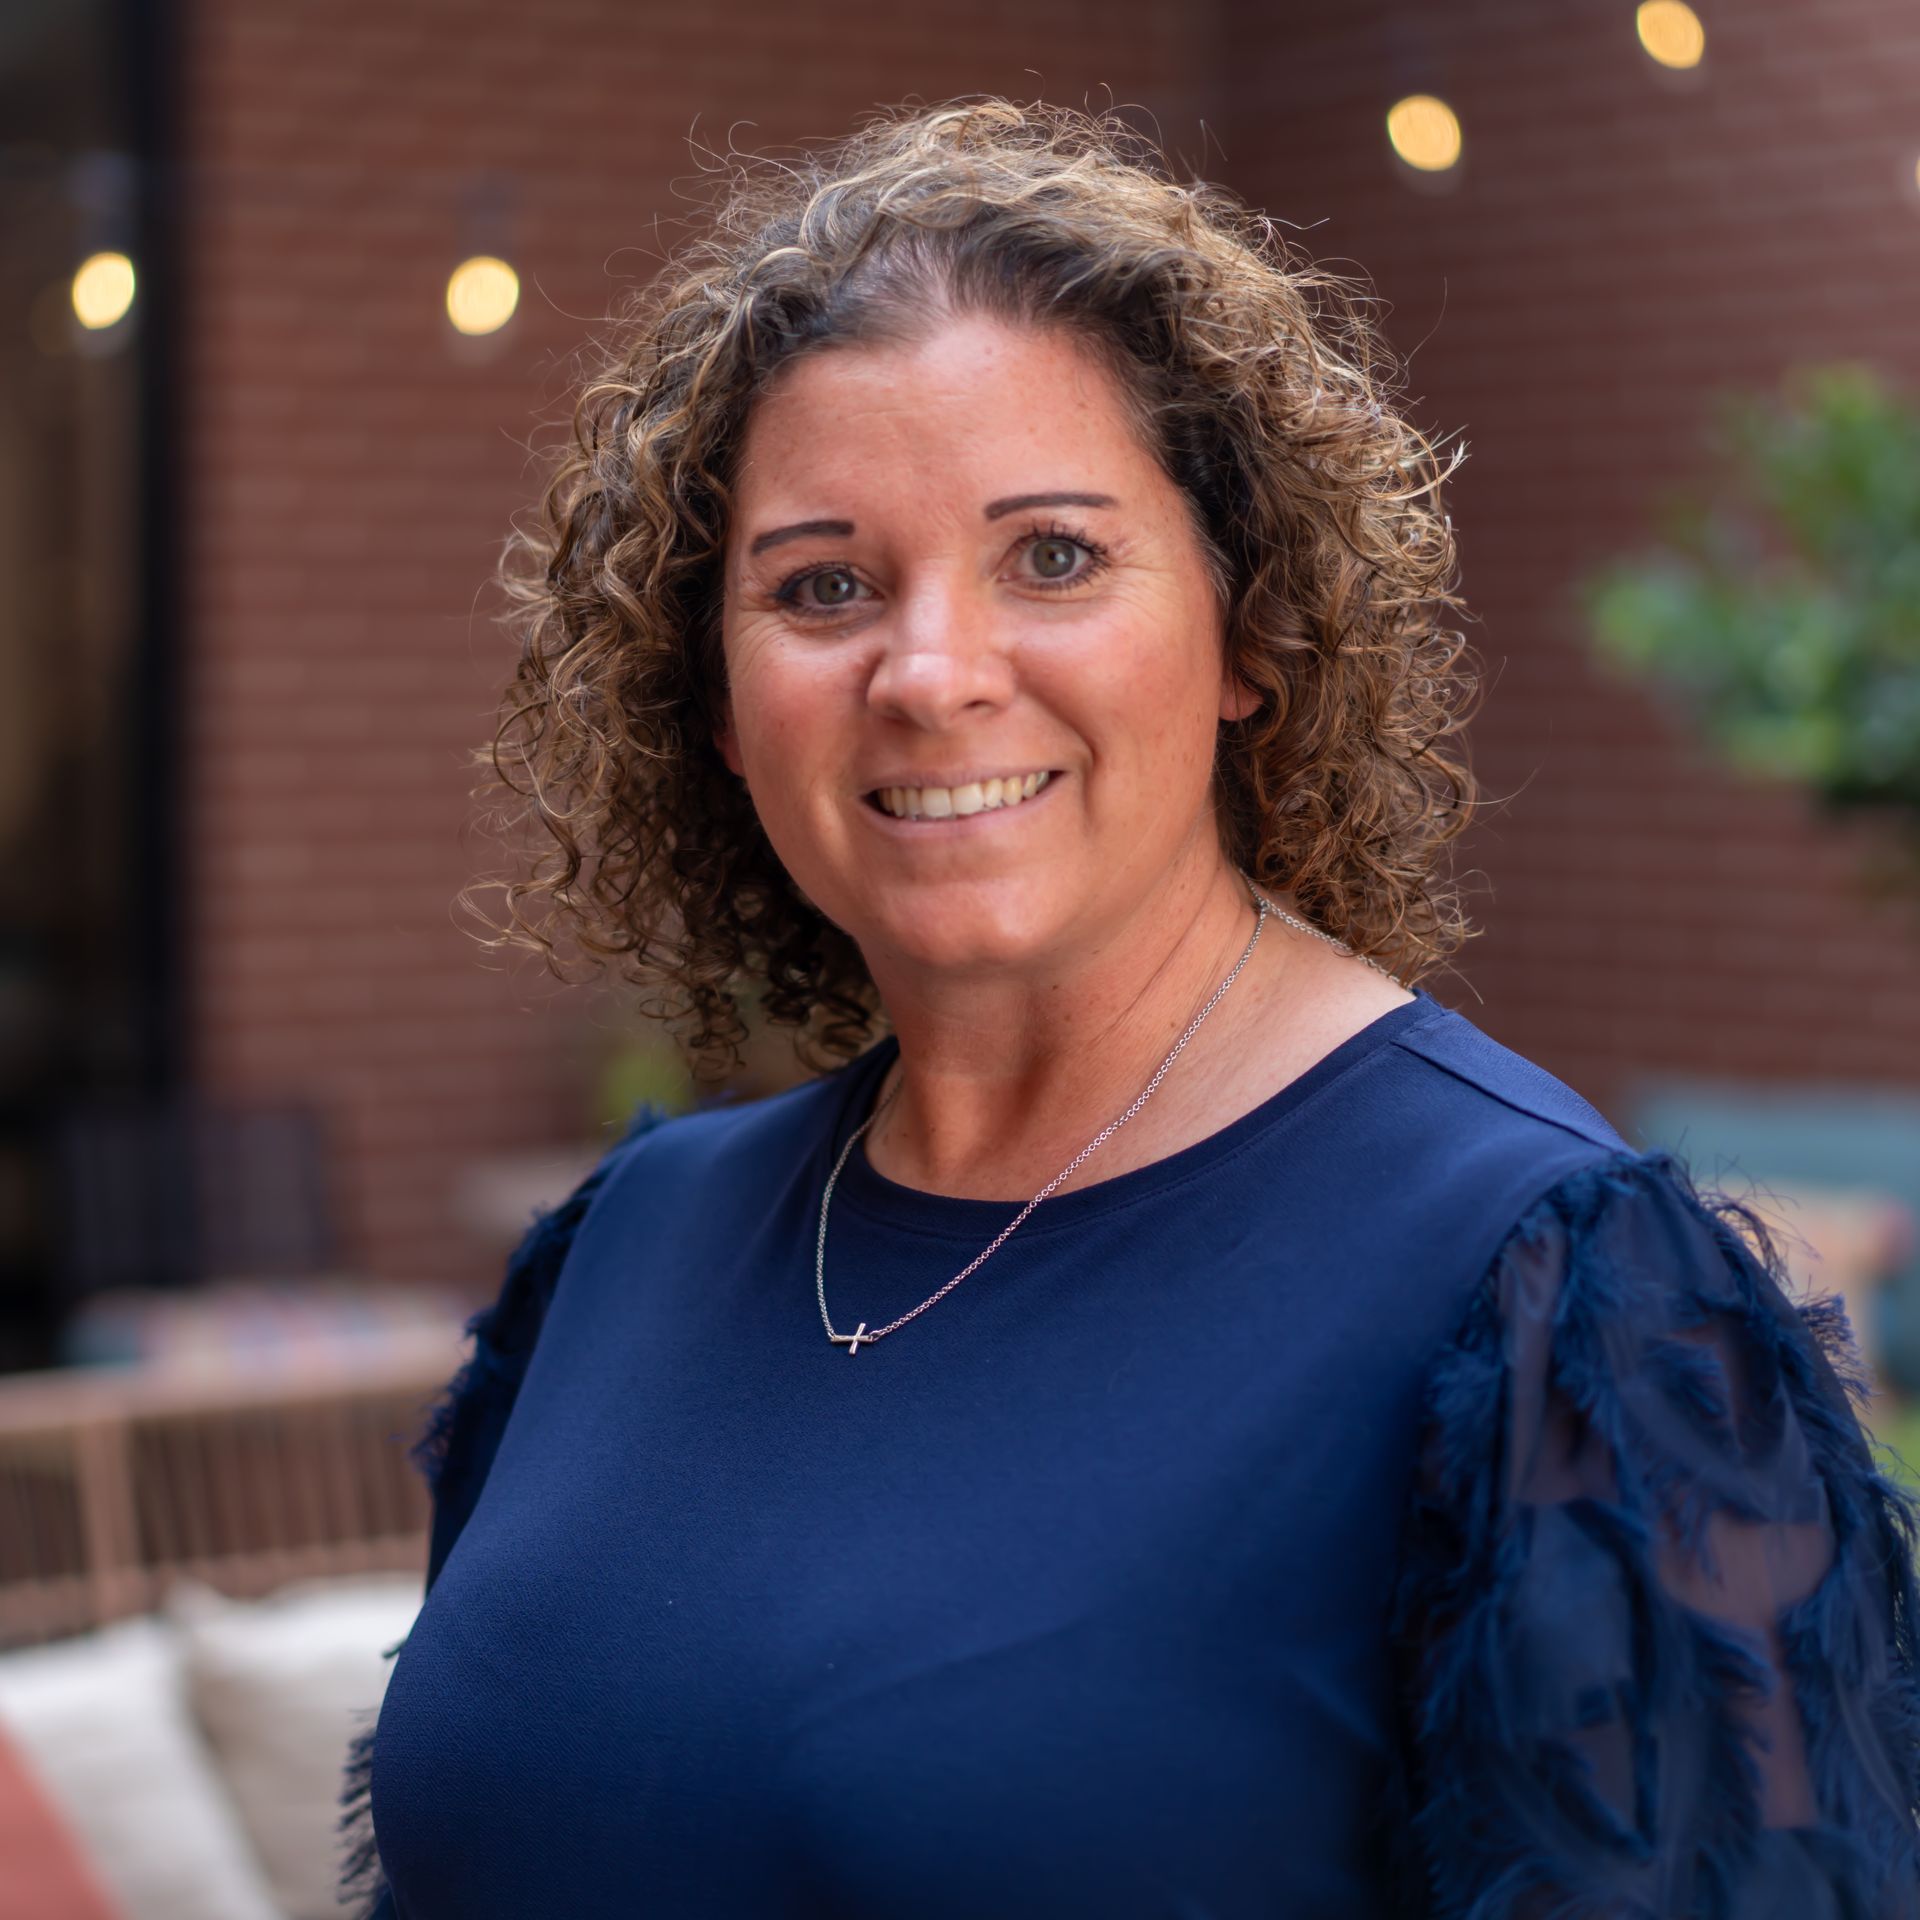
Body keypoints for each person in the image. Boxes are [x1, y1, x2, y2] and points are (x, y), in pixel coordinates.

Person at [337, 98, 1920, 1918]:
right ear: (714, 702)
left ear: (1251, 639)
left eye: (1056, 558)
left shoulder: (1561, 1314)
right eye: (824, 586)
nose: (931, 673)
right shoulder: (626, 1248)